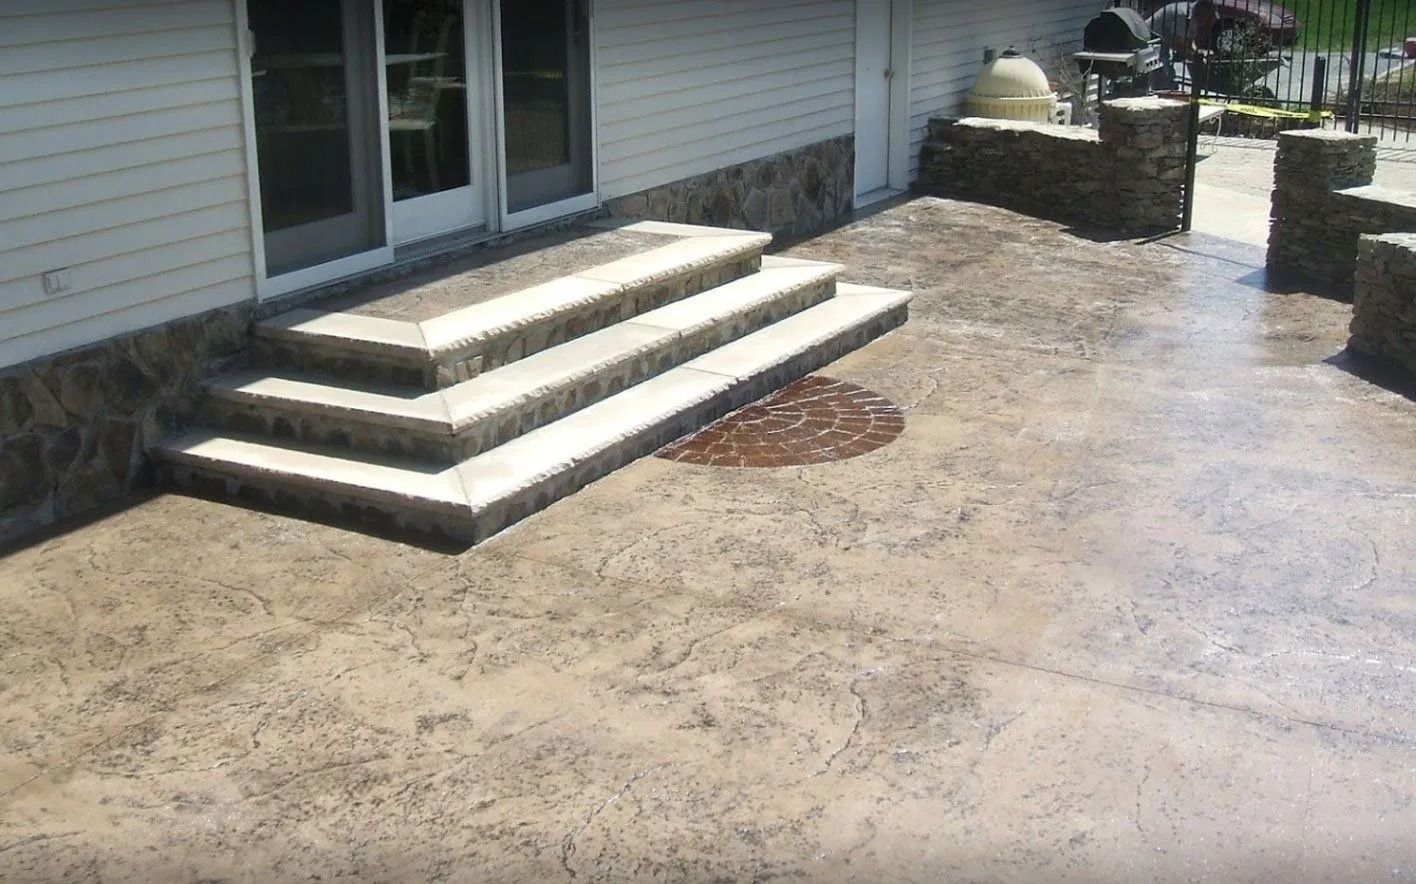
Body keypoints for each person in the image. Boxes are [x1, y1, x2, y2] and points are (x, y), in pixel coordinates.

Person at [1146, 0, 1217, 91]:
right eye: (1208, 18)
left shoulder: (1193, 17)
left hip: (1162, 43)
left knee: (1168, 77)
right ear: (1203, 12)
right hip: (1149, 40)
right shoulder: (1181, 14)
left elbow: (1189, 42)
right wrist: (1197, 58)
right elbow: (1178, 45)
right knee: (1163, 77)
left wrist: (1198, 53)